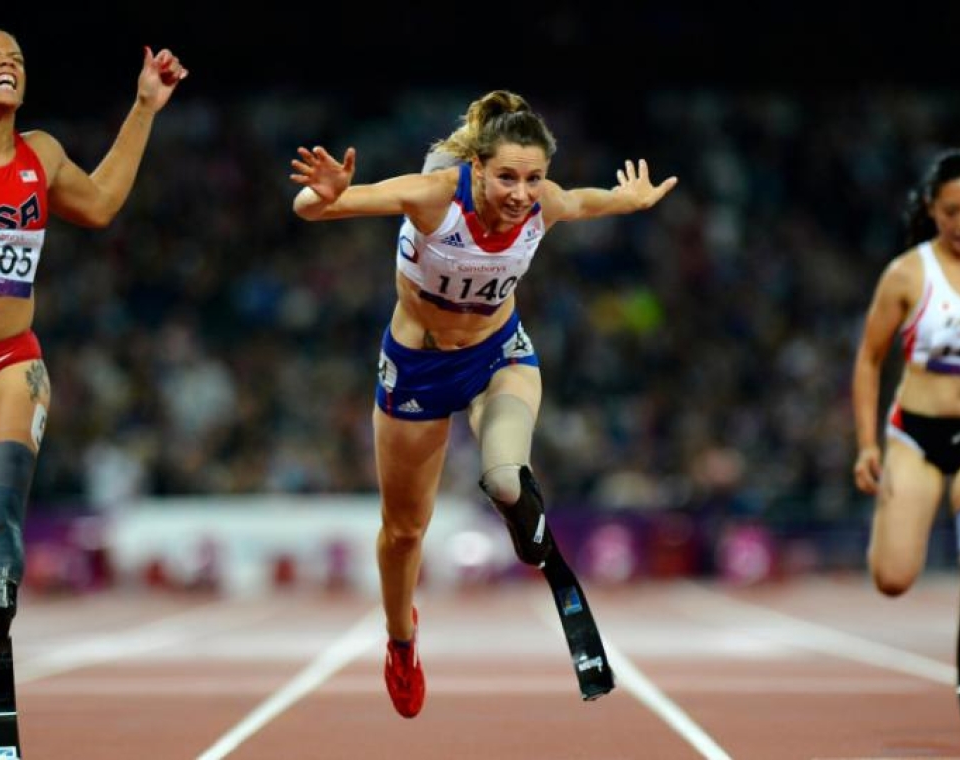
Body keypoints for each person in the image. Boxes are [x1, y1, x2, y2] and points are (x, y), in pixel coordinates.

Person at [290, 89, 677, 718]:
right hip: (418, 368)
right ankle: (401, 641)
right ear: (476, 169)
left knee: (502, 478)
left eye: (533, 178)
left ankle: (528, 532)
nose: (521, 194)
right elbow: (309, 208)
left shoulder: (541, 203)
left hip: (500, 355)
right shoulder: (434, 194)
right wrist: (327, 192)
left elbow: (580, 202)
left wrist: (626, 201)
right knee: (403, 530)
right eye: (506, 178)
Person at [0, 27, 186, 750]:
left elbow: (104, 203)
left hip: (8, 361)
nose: (8, 61)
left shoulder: (41, 156)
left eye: (17, 54)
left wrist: (145, 106)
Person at [852, 148, 960, 738]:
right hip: (917, 440)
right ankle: (903, 527)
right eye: (952, 211)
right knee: (894, 579)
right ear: (933, 210)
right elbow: (869, 360)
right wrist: (867, 444)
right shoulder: (907, 274)